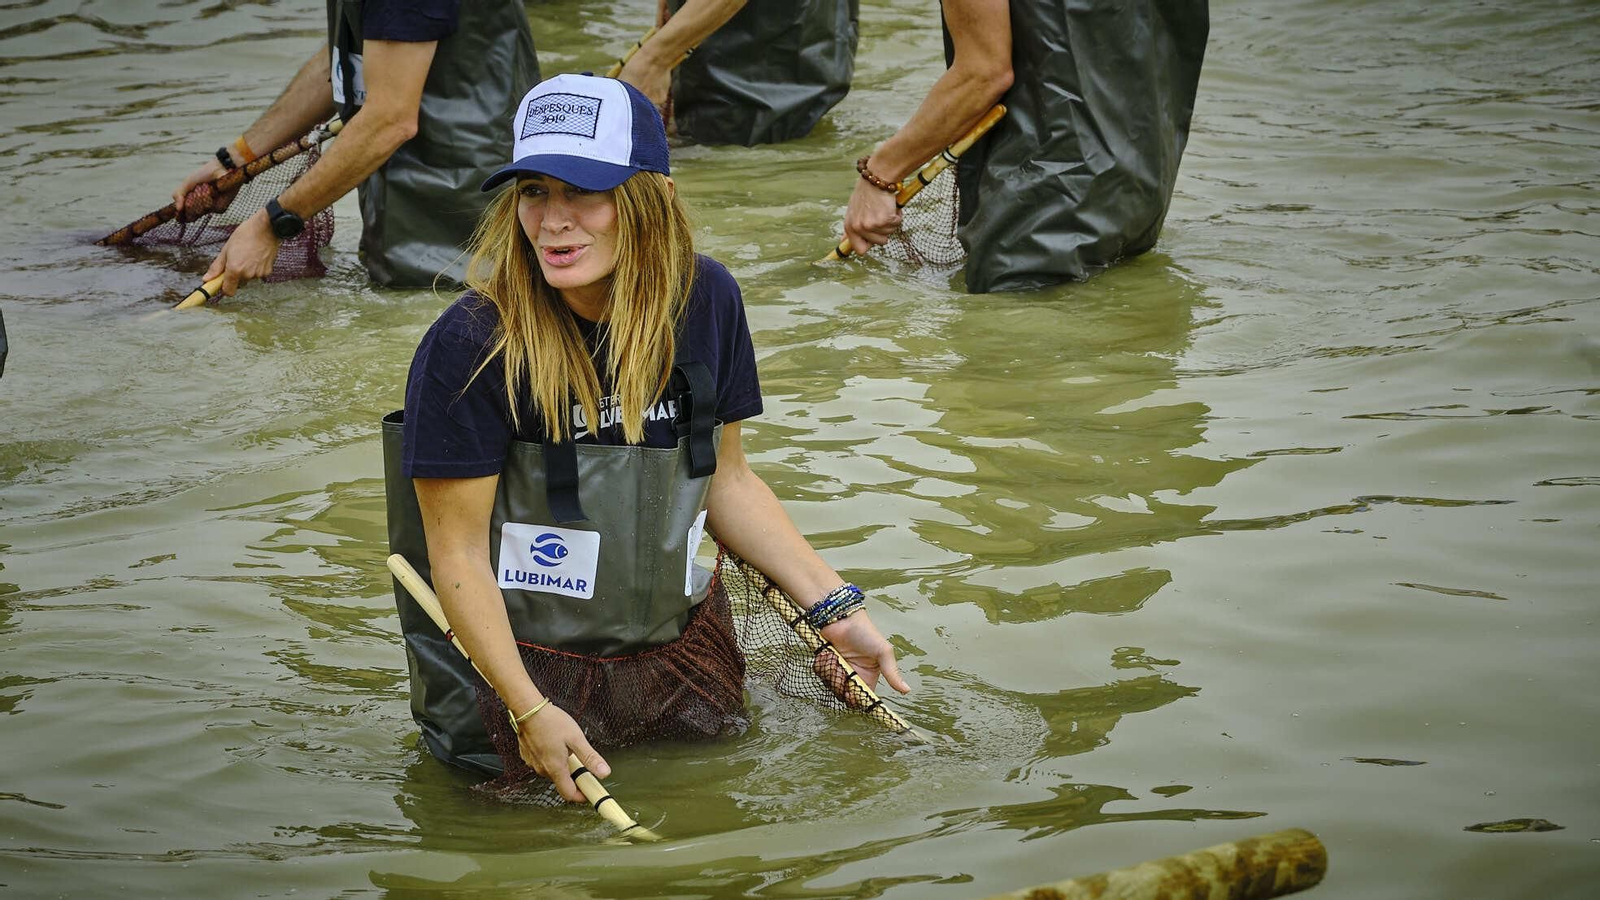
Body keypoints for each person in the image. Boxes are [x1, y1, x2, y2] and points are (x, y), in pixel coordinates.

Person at [386, 74, 909, 802]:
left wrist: (836, 611)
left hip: (679, 664)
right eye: (534, 191)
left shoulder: (709, 300)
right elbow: (457, 553)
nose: (554, 221)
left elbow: (728, 482)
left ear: (652, 196)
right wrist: (531, 709)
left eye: (583, 191)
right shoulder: (470, 343)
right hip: (516, 679)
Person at [170, 0, 538, 295]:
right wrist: (237, 158)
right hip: (410, 232)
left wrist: (272, 225)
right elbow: (344, 63)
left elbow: (389, 120)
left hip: (463, 234)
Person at [840, 0, 1208, 293]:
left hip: (1036, 209)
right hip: (1141, 193)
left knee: (1005, 373)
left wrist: (880, 174)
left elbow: (983, 73)